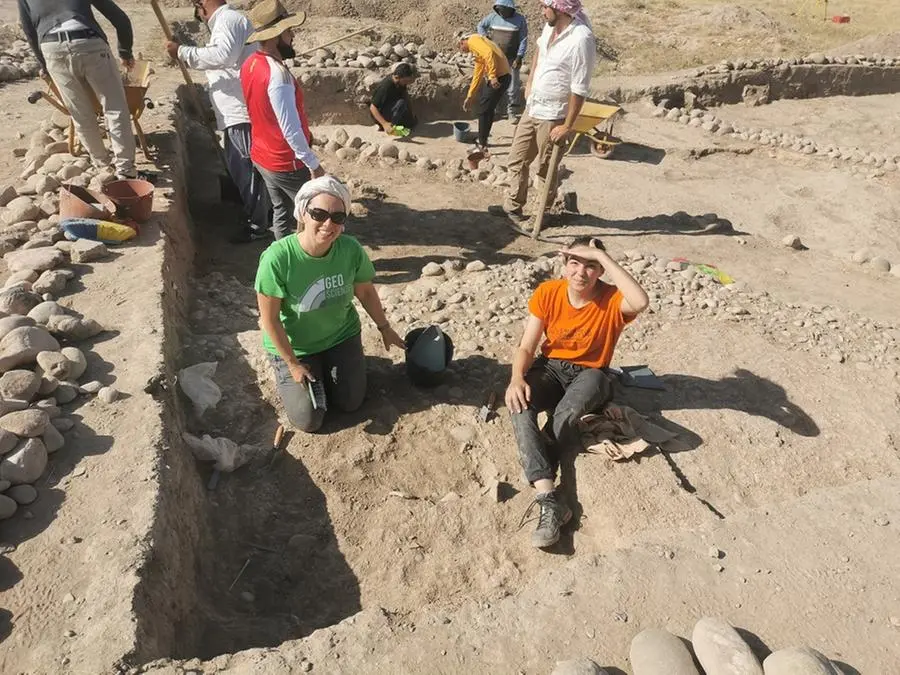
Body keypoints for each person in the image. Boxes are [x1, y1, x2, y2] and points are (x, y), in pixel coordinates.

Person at [505, 237, 649, 548]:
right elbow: (527, 345)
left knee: (564, 416)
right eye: (574, 263)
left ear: (600, 270)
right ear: (564, 264)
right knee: (519, 406)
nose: (581, 272)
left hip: (591, 374)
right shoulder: (549, 292)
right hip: (551, 368)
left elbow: (640, 302)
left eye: (590, 266)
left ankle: (543, 464)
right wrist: (516, 378)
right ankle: (549, 498)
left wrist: (600, 254)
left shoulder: (612, 299)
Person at [255, 176, 406, 432]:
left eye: (338, 217)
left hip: (340, 336)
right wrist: (292, 363)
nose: (328, 224)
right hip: (297, 347)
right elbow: (269, 320)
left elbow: (366, 292)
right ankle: (293, 369)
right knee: (309, 420)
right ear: (303, 214)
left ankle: (337, 365)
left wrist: (384, 327)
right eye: (319, 214)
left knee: (350, 403)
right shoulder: (278, 259)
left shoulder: (350, 250)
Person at [167, 0, 270, 244]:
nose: (199, 14)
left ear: (203, 4)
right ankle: (260, 214)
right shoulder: (228, 21)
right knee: (243, 169)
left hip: (240, 112)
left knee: (246, 171)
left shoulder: (228, 20)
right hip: (235, 111)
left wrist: (182, 52)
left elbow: (223, 56)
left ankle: (259, 224)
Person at [488, 0, 595, 224]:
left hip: (554, 115)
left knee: (546, 169)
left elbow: (579, 88)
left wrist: (567, 126)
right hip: (533, 107)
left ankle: (540, 217)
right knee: (517, 159)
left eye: (545, 6)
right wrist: (529, 83)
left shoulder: (580, 38)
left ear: (560, 9)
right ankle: (513, 206)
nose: (541, 11)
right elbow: (538, 51)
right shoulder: (549, 29)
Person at [19, 0, 138, 179]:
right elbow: (120, 18)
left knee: (80, 114)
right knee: (115, 108)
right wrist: (125, 52)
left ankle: (104, 170)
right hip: (89, 42)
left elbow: (29, 32)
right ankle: (126, 171)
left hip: (52, 49)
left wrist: (44, 64)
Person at [240, 0, 324, 240]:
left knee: (282, 211)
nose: (293, 35)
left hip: (262, 155)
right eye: (289, 31)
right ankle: (309, 261)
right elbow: (290, 129)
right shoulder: (278, 77)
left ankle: (281, 258)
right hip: (285, 160)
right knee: (315, 211)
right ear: (276, 36)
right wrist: (313, 164)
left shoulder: (250, 63)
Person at [456, 30, 511, 151]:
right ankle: (483, 141)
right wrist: (470, 95)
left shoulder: (473, 40)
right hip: (502, 77)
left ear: (462, 42)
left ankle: (482, 144)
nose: (462, 51)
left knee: (483, 109)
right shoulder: (477, 49)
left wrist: (492, 76)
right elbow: (478, 73)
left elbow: (489, 53)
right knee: (487, 109)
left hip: (499, 77)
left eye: (460, 47)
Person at [477, 0, 528, 123]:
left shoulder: (520, 20)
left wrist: (519, 56)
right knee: (496, 84)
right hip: (496, 59)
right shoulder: (493, 17)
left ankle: (512, 112)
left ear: (510, 9)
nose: (501, 11)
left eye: (503, 9)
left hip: (512, 58)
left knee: (512, 86)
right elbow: (480, 26)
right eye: (499, 9)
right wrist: (485, 38)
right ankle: (497, 111)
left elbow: (523, 39)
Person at [369, 63, 418, 133]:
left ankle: (393, 124)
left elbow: (405, 96)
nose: (407, 83)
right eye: (405, 81)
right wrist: (384, 124)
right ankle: (388, 127)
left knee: (410, 123)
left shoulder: (401, 83)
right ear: (397, 77)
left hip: (391, 107)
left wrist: (411, 114)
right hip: (380, 114)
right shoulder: (385, 87)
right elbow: (373, 107)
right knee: (401, 103)